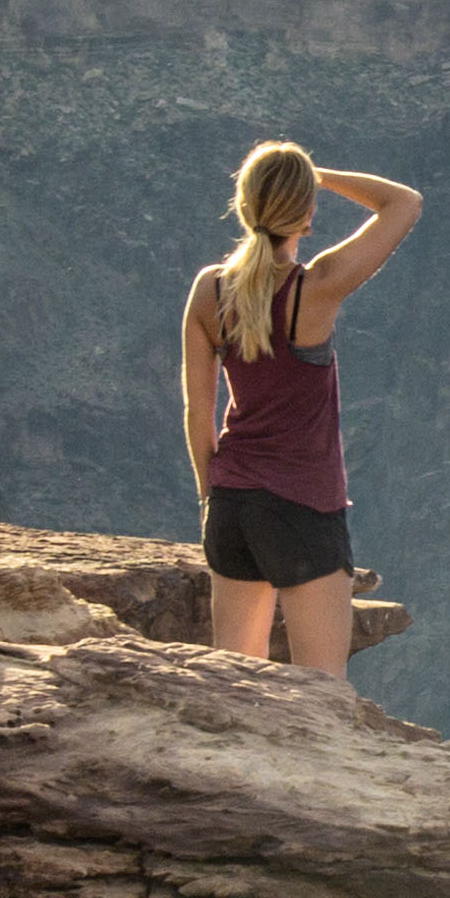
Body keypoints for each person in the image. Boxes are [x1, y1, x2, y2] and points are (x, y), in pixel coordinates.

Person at [180, 139, 419, 676]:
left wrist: (209, 499)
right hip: (304, 510)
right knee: (322, 693)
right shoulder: (317, 288)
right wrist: (315, 174)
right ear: (305, 214)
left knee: (236, 686)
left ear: (246, 206)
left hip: (232, 506)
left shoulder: (209, 290)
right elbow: (403, 202)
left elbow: (199, 416)